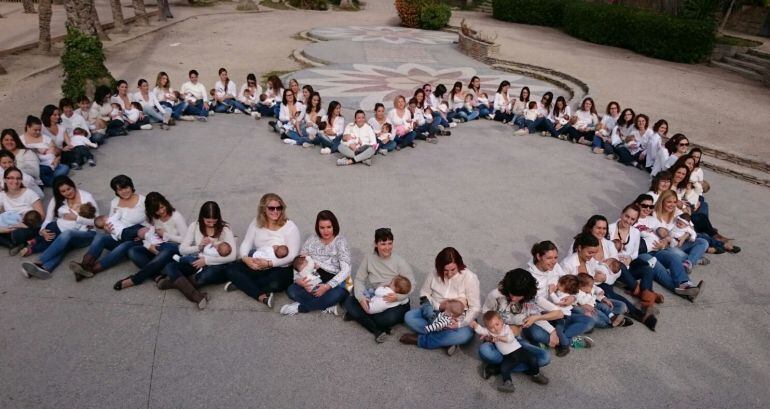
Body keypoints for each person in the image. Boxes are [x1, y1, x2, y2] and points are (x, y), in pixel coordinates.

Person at [478, 268, 556, 380]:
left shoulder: (532, 299)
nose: (513, 298)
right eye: (511, 294)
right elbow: (486, 313)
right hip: (496, 339)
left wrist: (537, 318)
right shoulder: (496, 295)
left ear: (527, 293)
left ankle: (499, 368)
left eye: (518, 296)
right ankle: (521, 365)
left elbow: (558, 313)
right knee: (485, 351)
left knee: (545, 357)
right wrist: (490, 331)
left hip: (516, 342)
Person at [400, 247, 480, 355]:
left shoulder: (470, 278)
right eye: (445, 270)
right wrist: (439, 306)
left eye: (453, 270)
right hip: (434, 313)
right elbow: (424, 293)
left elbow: (475, 307)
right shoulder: (433, 273)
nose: (449, 274)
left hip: (458, 317)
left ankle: (422, 340)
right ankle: (447, 340)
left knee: (464, 335)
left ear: (459, 265)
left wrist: (459, 324)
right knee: (409, 317)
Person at [224, 193, 300, 306]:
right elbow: (246, 242)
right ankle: (259, 294)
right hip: (259, 260)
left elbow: (292, 256)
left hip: (280, 266)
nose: (275, 211)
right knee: (229, 269)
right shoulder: (256, 222)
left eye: (279, 208)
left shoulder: (290, 227)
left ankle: (242, 284)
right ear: (263, 209)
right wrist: (245, 258)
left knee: (276, 284)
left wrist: (269, 263)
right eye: (271, 208)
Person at [343, 227, 415, 343]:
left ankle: (361, 318)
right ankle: (378, 330)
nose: (387, 247)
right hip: (376, 297)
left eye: (390, 243)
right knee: (349, 301)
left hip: (396, 303)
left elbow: (412, 284)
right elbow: (359, 280)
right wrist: (361, 299)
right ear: (375, 244)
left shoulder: (400, 262)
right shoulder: (368, 259)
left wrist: (397, 297)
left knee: (383, 319)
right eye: (383, 244)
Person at [69, 175, 146, 280]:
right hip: (118, 236)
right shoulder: (114, 202)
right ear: (116, 191)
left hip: (136, 238)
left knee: (123, 246)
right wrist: (107, 229)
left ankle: (91, 270)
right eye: (119, 189)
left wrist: (143, 234)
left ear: (131, 186)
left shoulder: (143, 201)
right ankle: (85, 264)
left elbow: (153, 222)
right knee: (100, 236)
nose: (124, 191)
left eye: (126, 187)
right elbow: (109, 220)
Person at [19, 176, 98, 279]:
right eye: (63, 191)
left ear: (73, 185)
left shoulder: (87, 197)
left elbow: (96, 222)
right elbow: (48, 219)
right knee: (63, 243)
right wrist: (42, 231)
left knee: (67, 234)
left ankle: (39, 261)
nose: (67, 193)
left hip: (86, 234)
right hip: (64, 232)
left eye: (69, 189)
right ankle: (46, 268)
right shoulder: (57, 199)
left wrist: (76, 218)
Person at [160, 201, 237, 306]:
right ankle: (196, 295)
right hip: (198, 259)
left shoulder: (225, 228)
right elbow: (182, 249)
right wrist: (199, 247)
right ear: (202, 218)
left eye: (214, 221)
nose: (212, 224)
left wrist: (206, 261)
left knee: (206, 275)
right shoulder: (195, 226)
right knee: (170, 266)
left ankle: (175, 283)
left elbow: (232, 257)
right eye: (208, 221)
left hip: (217, 265)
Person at [281, 210, 352, 315]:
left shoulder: (341, 242)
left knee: (340, 293)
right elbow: (299, 262)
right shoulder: (311, 240)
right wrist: (298, 280)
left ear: (334, 226)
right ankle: (327, 304)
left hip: (339, 281)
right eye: (322, 228)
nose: (326, 231)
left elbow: (346, 270)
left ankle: (301, 307)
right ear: (317, 227)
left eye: (329, 227)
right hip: (315, 277)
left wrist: (326, 287)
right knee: (291, 290)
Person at [114, 192, 187, 290]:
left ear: (165, 203)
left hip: (175, 248)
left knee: (167, 250)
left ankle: (135, 279)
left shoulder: (176, 216)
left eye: (162, 207)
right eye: (157, 210)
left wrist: (166, 235)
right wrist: (149, 245)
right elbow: (152, 234)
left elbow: (186, 240)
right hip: (160, 247)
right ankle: (157, 275)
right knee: (133, 251)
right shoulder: (155, 217)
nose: (161, 211)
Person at [607, 203, 660, 330]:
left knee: (647, 268)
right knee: (619, 265)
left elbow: (635, 253)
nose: (628, 221)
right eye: (627, 216)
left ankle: (646, 302)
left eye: (632, 219)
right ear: (621, 214)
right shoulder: (609, 229)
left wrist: (629, 258)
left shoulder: (635, 232)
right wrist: (616, 258)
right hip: (612, 268)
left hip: (627, 268)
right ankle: (646, 295)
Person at [0, 167, 45, 253]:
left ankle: (12, 242)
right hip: (10, 225)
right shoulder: (2, 195)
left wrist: (25, 224)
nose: (15, 181)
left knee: (18, 234)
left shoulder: (30, 193)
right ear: (5, 180)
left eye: (18, 178)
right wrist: (2, 228)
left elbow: (41, 215)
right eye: (11, 178)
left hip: (28, 225)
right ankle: (12, 244)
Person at [20, 116, 69, 187]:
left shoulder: (46, 138)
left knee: (64, 168)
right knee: (40, 170)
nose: (38, 132)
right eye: (35, 130)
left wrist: (57, 159)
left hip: (51, 165)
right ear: (28, 127)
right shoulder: (21, 140)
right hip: (35, 165)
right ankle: (54, 182)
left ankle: (45, 179)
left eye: (39, 130)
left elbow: (57, 152)